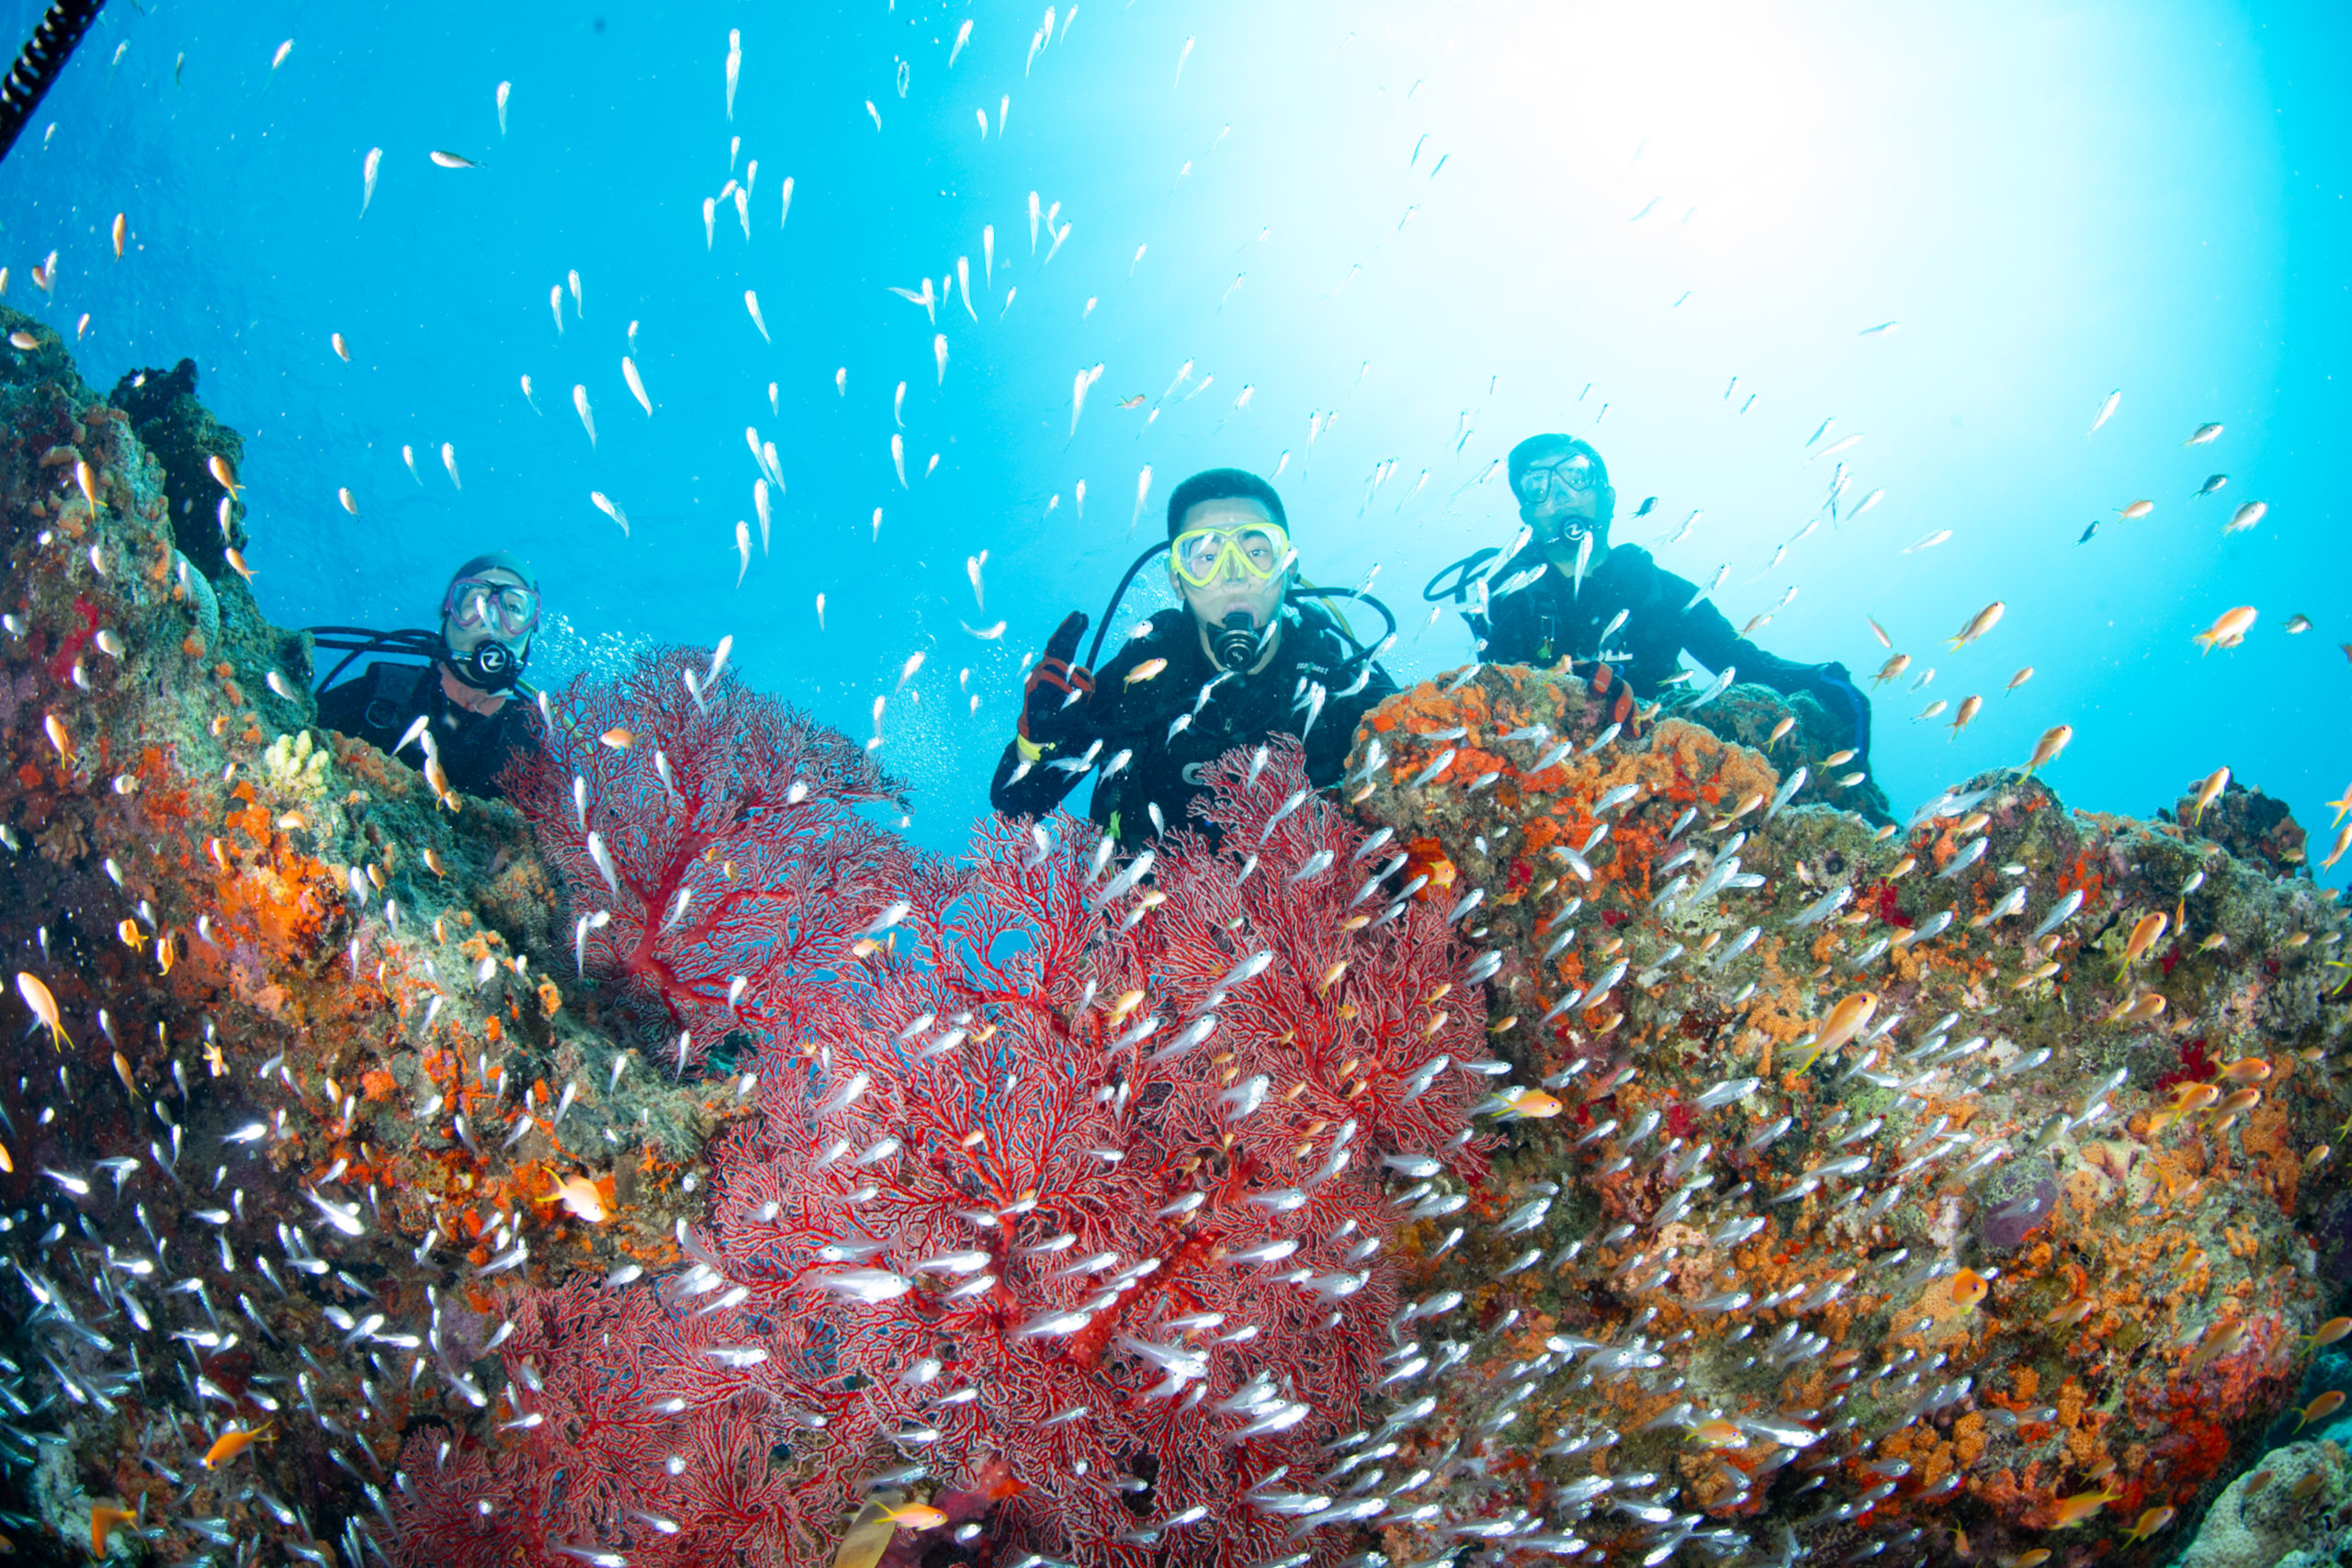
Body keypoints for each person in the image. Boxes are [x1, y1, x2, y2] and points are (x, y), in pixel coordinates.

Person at [989, 468, 1399, 851]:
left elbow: (1420, 763)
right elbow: (1016, 803)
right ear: (1178, 581)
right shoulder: (1143, 670)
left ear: (1289, 566)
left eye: (1257, 551)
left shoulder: (1338, 678)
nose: (1234, 574)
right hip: (1144, 920)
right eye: (1205, 556)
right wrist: (1036, 741)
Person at [1460, 434, 1881, 803]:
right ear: (1526, 515)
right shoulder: (1505, 595)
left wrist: (1820, 677)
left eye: (1576, 475)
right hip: (1548, 781)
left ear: (1607, 496)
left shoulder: (1660, 591)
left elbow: (1743, 667)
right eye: (1538, 485)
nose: (1561, 493)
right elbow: (1496, 696)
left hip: (1666, 779)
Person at [312, 552, 545, 800]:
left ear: (530, 633)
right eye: (477, 600)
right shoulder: (378, 692)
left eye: (513, 607)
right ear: (446, 616)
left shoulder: (532, 741)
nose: (492, 619)